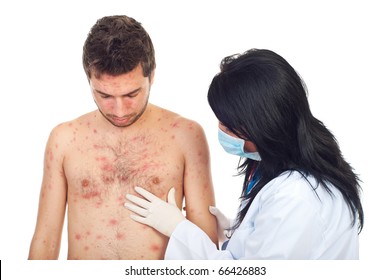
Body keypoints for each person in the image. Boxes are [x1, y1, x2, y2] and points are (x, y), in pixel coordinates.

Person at [124, 49, 364, 259]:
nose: (221, 130)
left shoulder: (296, 198)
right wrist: (236, 230)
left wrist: (178, 229)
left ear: (263, 126)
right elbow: (266, 244)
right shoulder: (287, 161)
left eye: (228, 126)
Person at [28, 15, 218, 260]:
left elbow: (206, 242)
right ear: (88, 79)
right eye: (104, 96)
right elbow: (45, 238)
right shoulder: (64, 139)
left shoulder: (186, 136)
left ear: (152, 77)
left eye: (132, 94)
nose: (120, 110)